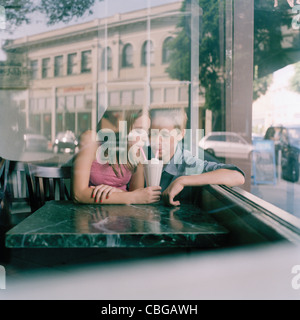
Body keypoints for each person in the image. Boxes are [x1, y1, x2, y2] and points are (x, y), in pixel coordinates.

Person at [148, 108, 245, 206]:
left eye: (165, 135)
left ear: (180, 134)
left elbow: (237, 176)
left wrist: (182, 180)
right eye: (153, 134)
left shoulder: (188, 163)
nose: (157, 141)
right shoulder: (143, 157)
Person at [72, 109, 161, 205]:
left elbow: (138, 195)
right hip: (90, 213)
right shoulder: (92, 139)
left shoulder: (137, 150)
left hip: (122, 214)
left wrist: (118, 192)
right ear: (122, 128)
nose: (144, 138)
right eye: (138, 131)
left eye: (146, 132)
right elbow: (79, 194)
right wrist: (131, 197)